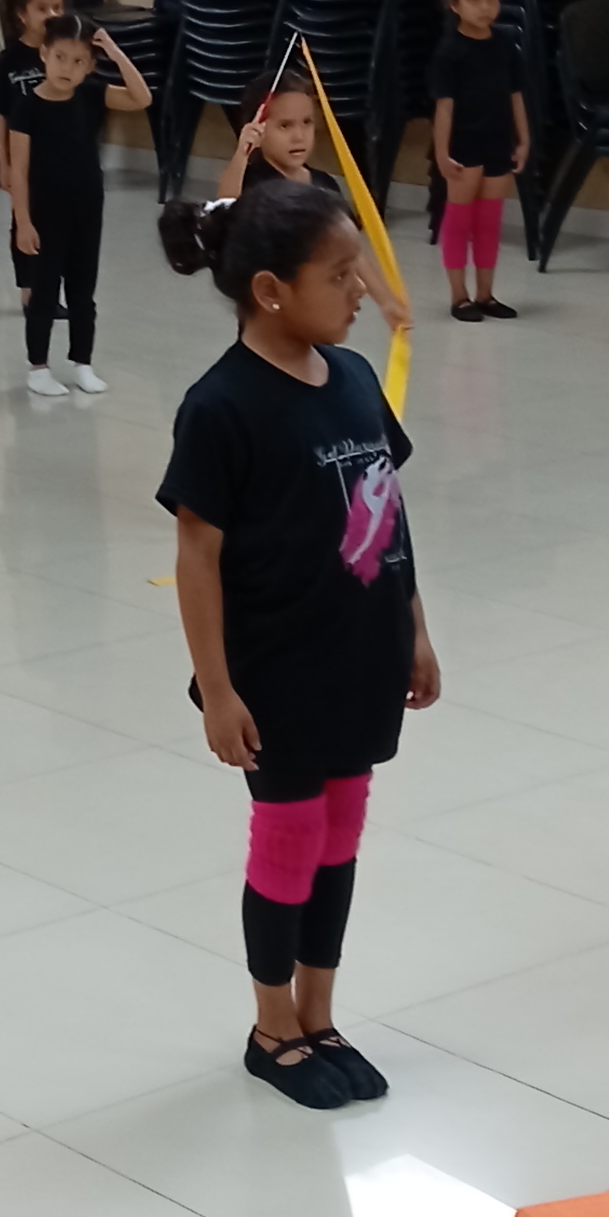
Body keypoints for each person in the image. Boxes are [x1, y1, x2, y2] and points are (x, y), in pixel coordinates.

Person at [157, 175, 440, 1110]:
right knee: (289, 836)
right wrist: (218, 689)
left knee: (340, 834)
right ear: (272, 291)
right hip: (277, 673)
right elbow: (197, 558)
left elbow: (389, 516)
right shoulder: (222, 407)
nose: (360, 291)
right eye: (340, 274)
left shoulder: (353, 378)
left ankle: (320, 1016)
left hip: (360, 658)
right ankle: (271, 1027)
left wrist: (416, 630)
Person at [5, 14, 153, 399]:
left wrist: (115, 52)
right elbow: (18, 171)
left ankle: (82, 363)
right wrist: (23, 222)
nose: (67, 68)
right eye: (59, 57)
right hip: (44, 213)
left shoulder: (91, 95)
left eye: (78, 61)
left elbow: (142, 98)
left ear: (89, 66)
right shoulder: (26, 107)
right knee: (44, 292)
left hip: (87, 209)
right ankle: (38, 368)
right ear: (44, 54)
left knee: (83, 292)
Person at [233, 78, 414, 335]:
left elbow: (351, 250)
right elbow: (227, 202)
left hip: (312, 314)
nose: (299, 136)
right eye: (285, 125)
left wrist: (385, 300)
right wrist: (241, 155)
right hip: (267, 321)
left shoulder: (324, 185)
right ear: (258, 129)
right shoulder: (255, 185)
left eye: (307, 122)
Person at [426, 0, 532, 322]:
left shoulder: (505, 44)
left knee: (489, 222)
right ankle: (460, 296)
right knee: (460, 221)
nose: (485, 6)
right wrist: (442, 153)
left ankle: (486, 294)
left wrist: (523, 140)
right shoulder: (449, 52)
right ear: (454, 3)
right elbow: (444, 108)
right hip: (464, 146)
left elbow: (516, 95)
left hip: (498, 143)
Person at [0, 0, 70, 309]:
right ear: (22, 14)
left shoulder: (62, 56)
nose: (52, 15)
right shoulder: (9, 60)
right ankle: (30, 291)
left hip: (60, 158)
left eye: (57, 7)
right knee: (24, 223)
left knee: (59, 227)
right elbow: (0, 114)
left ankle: (51, 289)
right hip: (25, 162)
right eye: (42, 8)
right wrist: (4, 163)